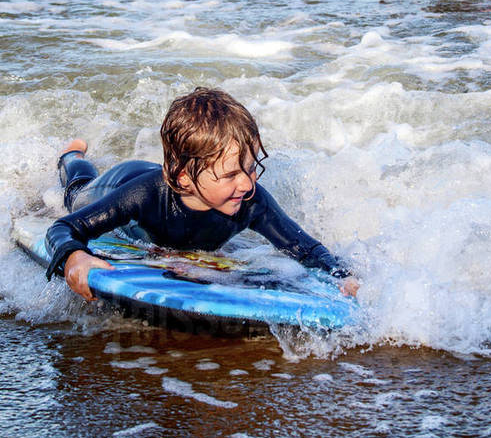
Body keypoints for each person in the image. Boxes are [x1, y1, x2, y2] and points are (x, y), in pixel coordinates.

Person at [46, 87, 357, 299]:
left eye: (250, 168)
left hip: (164, 177)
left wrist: (342, 276)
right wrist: (74, 256)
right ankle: (72, 157)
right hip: (119, 182)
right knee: (75, 195)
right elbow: (64, 228)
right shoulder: (144, 197)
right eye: (232, 174)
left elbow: (304, 248)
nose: (248, 184)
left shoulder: (250, 200)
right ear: (184, 179)